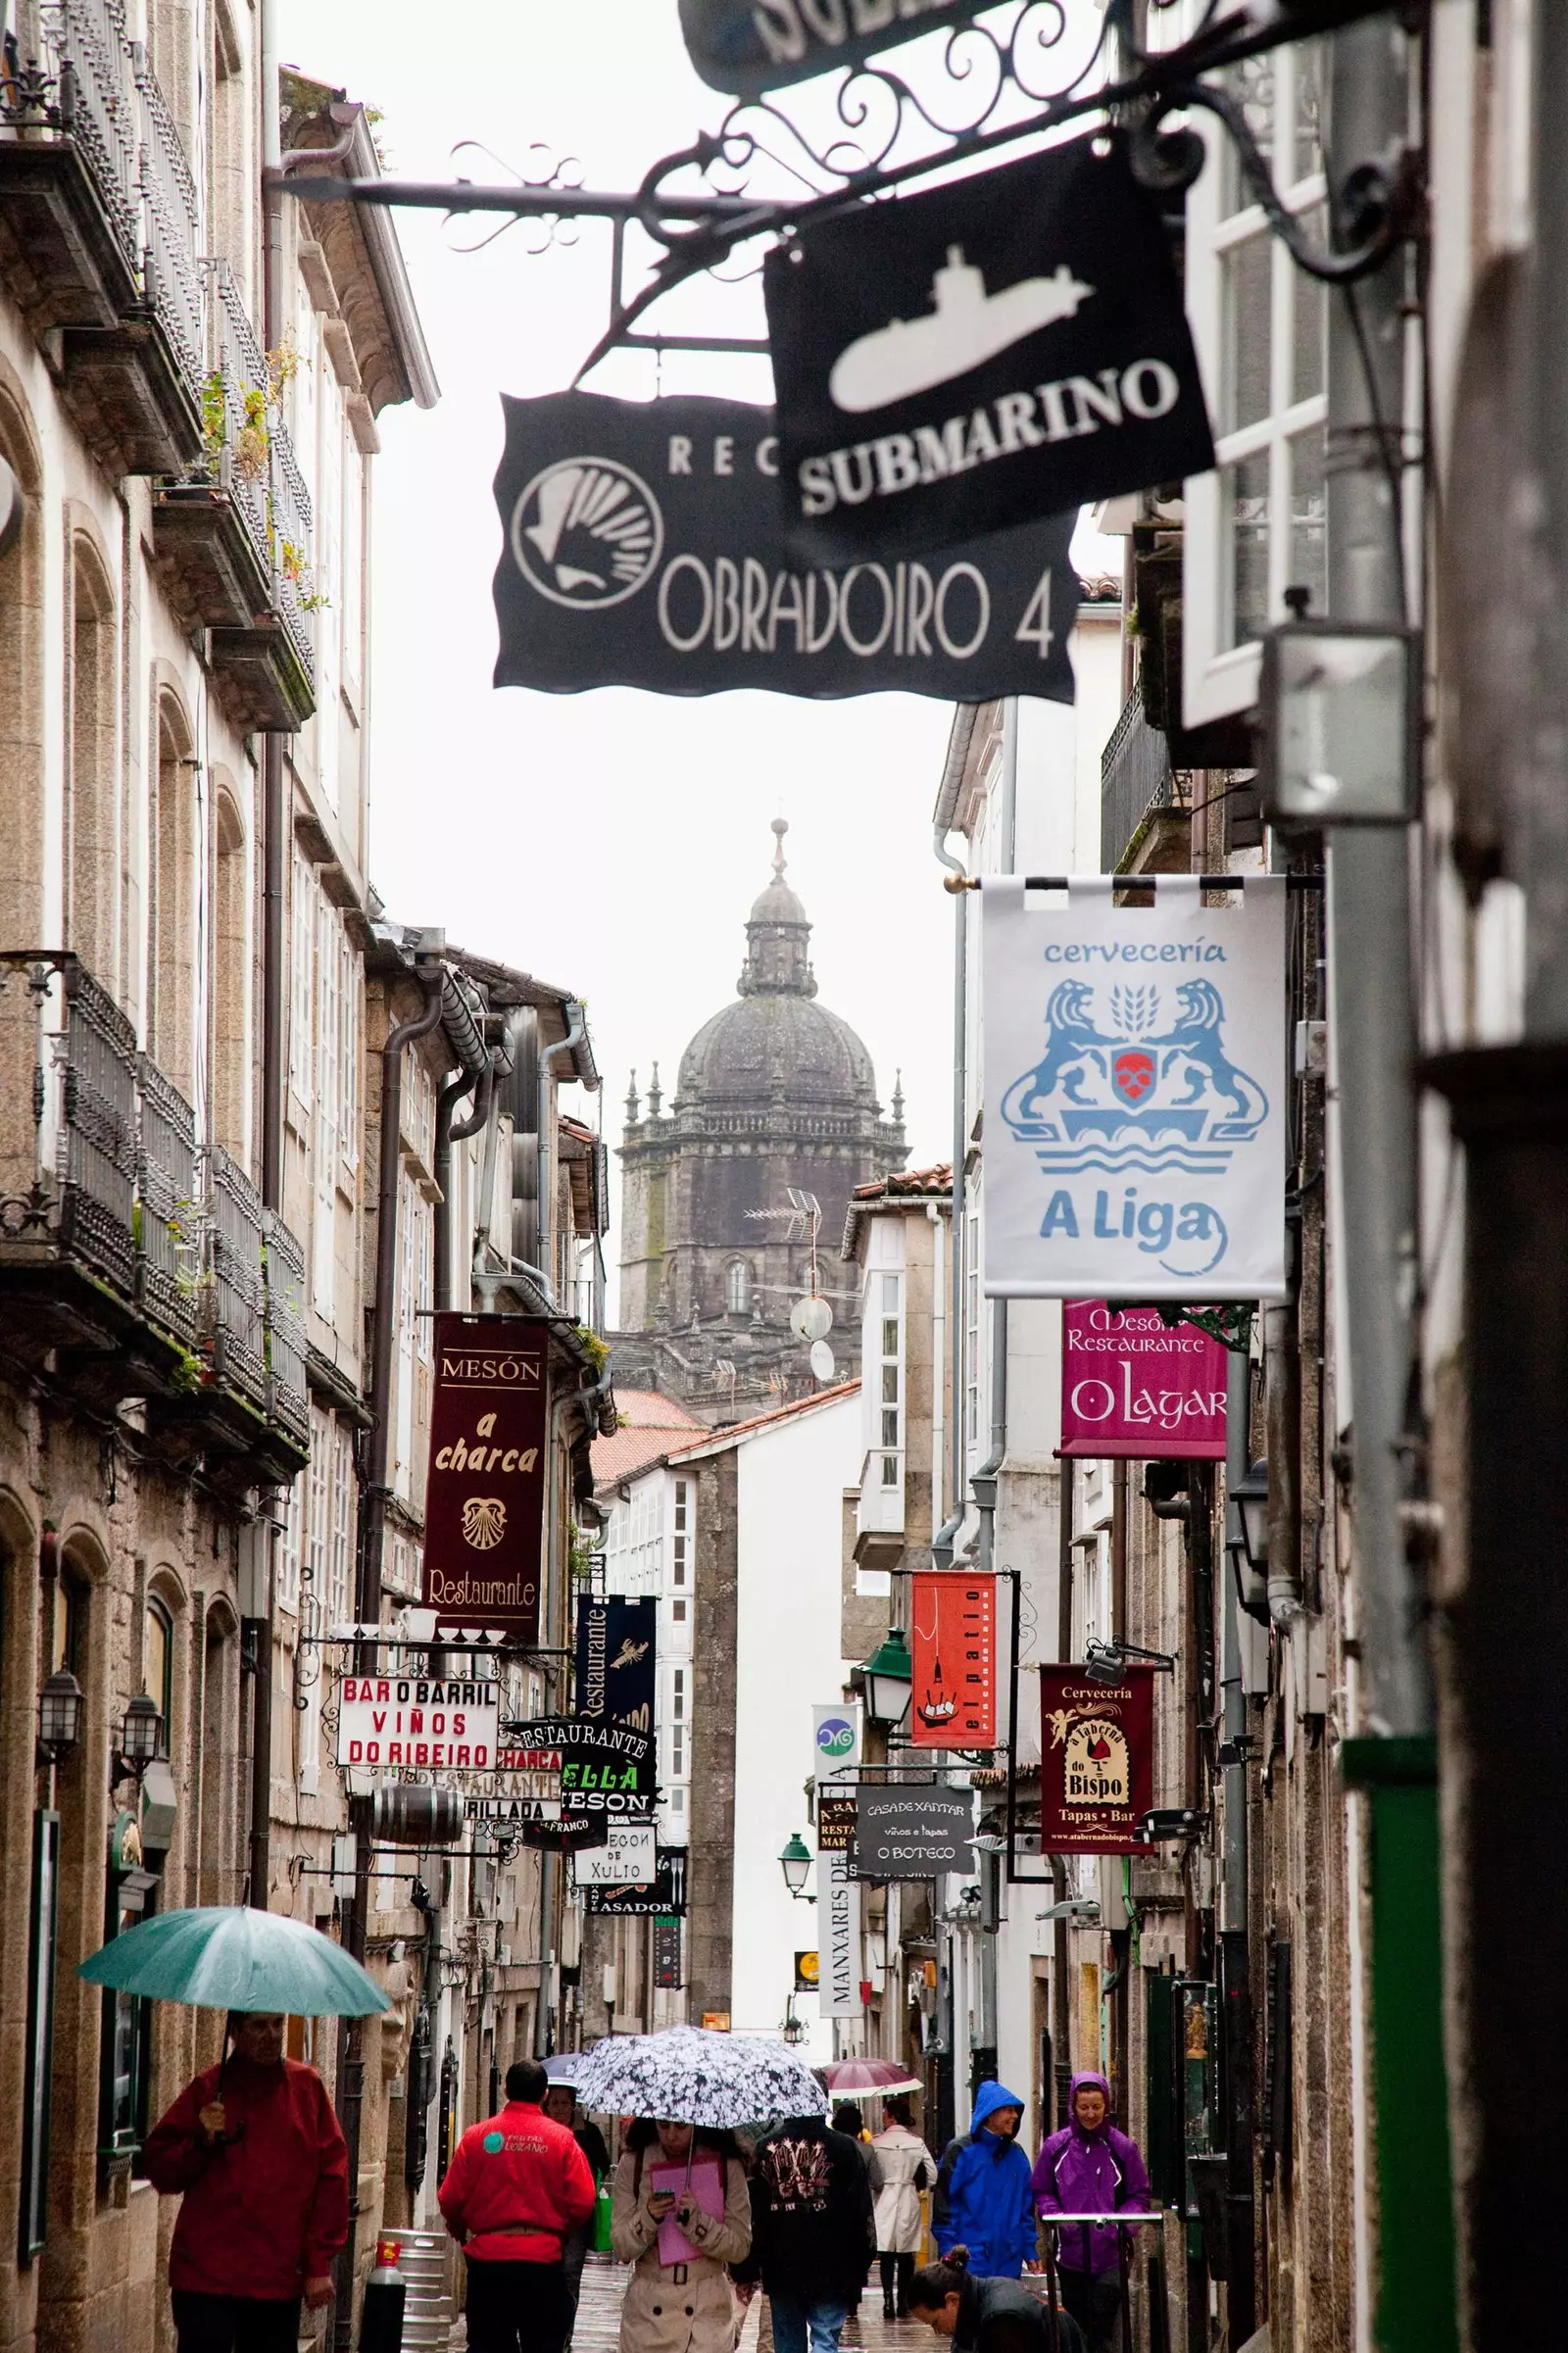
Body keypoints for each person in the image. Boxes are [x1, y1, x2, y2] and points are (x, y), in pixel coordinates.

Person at [144, 2009, 349, 2353]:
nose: (271, 2035)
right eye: (258, 2026)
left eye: (277, 2024)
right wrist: (200, 2140)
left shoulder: (306, 2089)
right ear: (235, 2031)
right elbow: (160, 2169)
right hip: (207, 2274)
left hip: (276, 2276)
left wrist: (317, 2263)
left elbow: (332, 2177)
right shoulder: (209, 2089)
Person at [439, 2056, 598, 2353]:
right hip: (542, 2265)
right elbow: (583, 2200)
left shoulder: (478, 2137)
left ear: (506, 2090)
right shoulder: (562, 2140)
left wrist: (460, 2227)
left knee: (488, 2345)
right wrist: (558, 2230)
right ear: (545, 2095)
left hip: (489, 2264)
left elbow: (450, 2197)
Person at [735, 2108, 874, 2353]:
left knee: (788, 2343)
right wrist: (861, 2263)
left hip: (781, 2266)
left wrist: (746, 2269)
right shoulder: (844, 2148)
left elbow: (752, 2215)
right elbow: (860, 2213)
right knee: (825, 2339)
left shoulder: (765, 2148)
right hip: (833, 2266)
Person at [1030, 2072, 1151, 2353]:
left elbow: (1139, 2194)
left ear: (1106, 2105)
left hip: (1111, 2254)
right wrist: (1057, 2217)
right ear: (1073, 2106)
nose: (1090, 2114)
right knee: (1076, 2321)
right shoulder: (1055, 2147)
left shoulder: (1122, 2148)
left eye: (1096, 2107)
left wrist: (1121, 2227)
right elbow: (1041, 2189)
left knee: (1103, 2321)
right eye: (1084, 2107)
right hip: (1070, 2253)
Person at [612, 2116, 752, 2353]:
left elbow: (739, 2247)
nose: (671, 2135)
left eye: (681, 2126)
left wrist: (699, 2223)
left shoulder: (727, 2164)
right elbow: (621, 2247)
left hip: (706, 2318)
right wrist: (648, 2217)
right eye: (663, 2126)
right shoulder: (634, 2163)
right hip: (648, 2319)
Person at [932, 2083, 1036, 2281]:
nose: (1014, 2116)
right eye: (1008, 2110)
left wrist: (1029, 2249)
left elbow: (1026, 2209)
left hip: (1008, 2259)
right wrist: (949, 2251)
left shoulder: (1017, 2155)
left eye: (1015, 2110)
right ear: (990, 2114)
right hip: (970, 2258)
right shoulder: (959, 2152)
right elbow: (944, 2206)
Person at [906, 2248, 1087, 2353]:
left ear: (952, 2300)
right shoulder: (980, 2297)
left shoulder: (1002, 2321)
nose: (937, 2332)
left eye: (936, 2322)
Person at [543, 2083, 612, 2339]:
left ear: (573, 2105)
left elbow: (602, 2164)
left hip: (578, 2216)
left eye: (564, 2103)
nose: (560, 2109)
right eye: (555, 2103)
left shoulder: (589, 2132)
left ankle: (565, 2333)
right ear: (546, 2106)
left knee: (571, 2273)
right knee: (548, 2273)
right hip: (547, 2213)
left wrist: (589, 2180)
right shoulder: (540, 2132)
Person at [870, 2095, 935, 2320]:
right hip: (908, 2197)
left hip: (884, 2197)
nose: (883, 2118)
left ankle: (887, 2298)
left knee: (887, 2253)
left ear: (892, 2116)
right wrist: (919, 2187)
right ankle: (903, 2302)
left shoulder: (876, 2143)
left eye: (885, 2114)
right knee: (907, 2254)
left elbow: (871, 2174)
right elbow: (932, 2174)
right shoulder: (916, 2143)